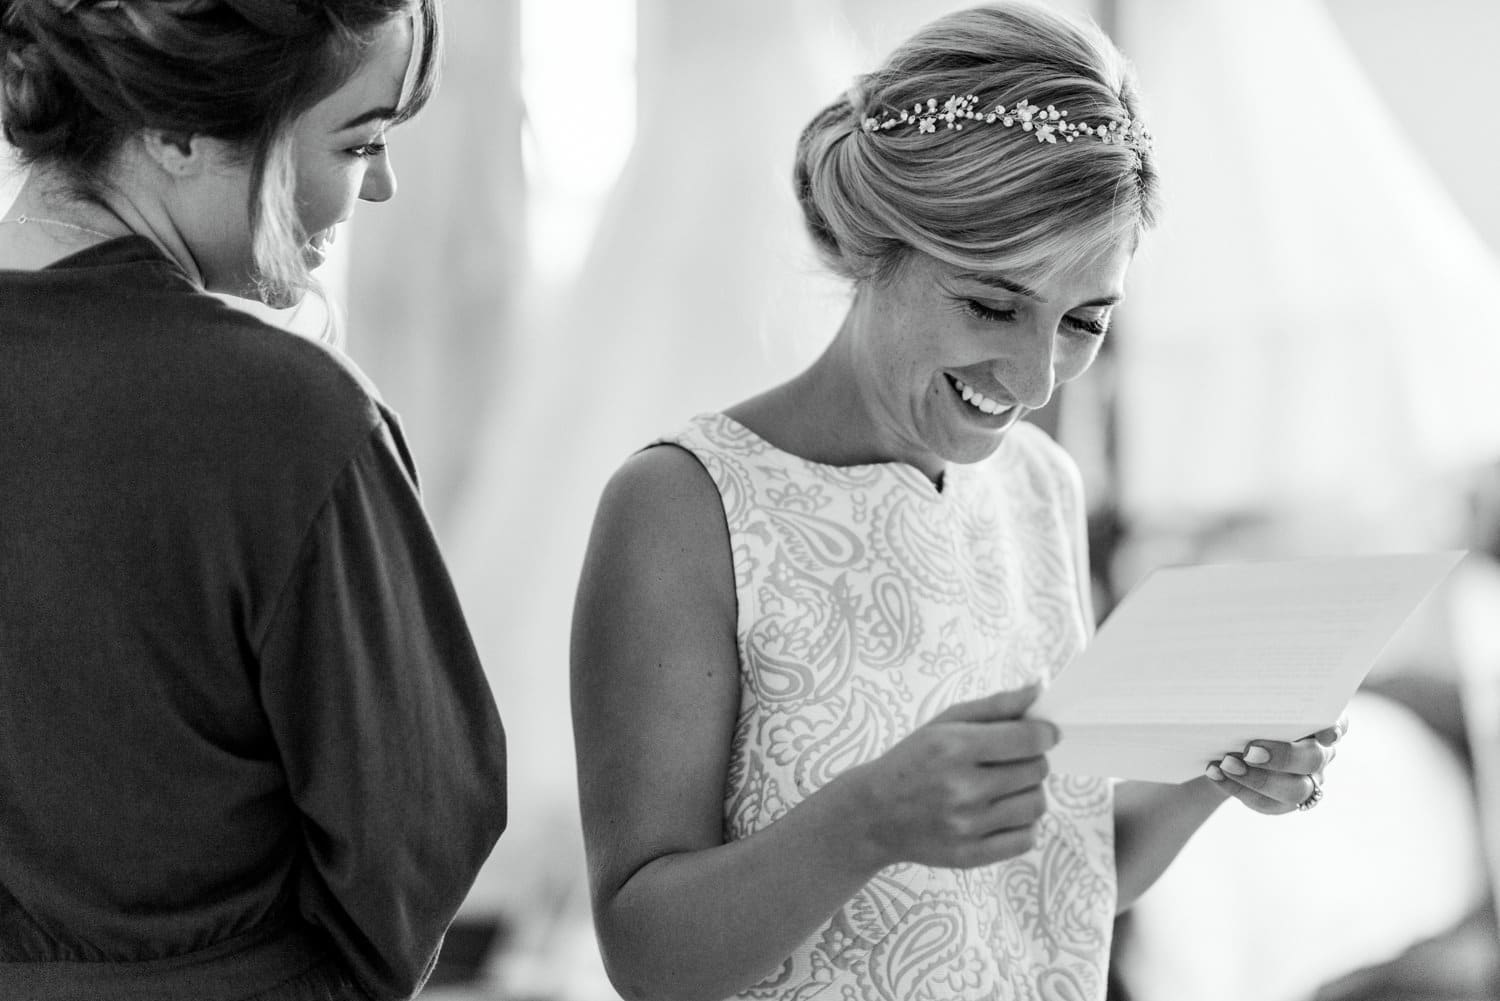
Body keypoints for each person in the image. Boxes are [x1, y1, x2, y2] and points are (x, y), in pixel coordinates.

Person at [570, 4, 1342, 1000]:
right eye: (991, 302)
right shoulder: (683, 505)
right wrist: (871, 818)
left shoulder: (1038, 486)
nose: (1033, 376)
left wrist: (1217, 777)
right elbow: (647, 957)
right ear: (875, 246)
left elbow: (1062, 872)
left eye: (1083, 320)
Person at [0, 2, 506, 999]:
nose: (385, 183)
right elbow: (416, 829)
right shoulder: (290, 419)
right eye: (359, 141)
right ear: (178, 132)